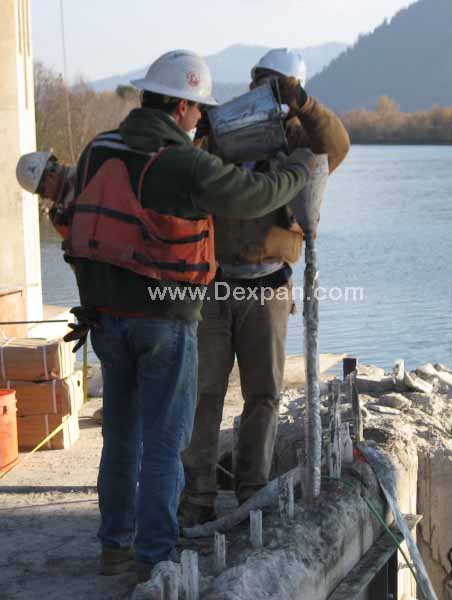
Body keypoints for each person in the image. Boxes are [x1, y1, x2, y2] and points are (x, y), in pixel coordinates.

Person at [64, 49, 317, 580]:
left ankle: (115, 545)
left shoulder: (95, 150)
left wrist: (90, 306)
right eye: (198, 108)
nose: (201, 118)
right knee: (163, 441)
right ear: (180, 106)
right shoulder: (180, 161)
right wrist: (297, 170)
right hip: (164, 320)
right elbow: (253, 195)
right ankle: (156, 555)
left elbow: (74, 224)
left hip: (105, 320)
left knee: (121, 437)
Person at [180, 48, 351, 525]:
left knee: (263, 394)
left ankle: (252, 488)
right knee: (205, 392)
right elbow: (186, 167)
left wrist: (302, 103)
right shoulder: (226, 132)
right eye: (262, 82)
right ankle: (197, 493)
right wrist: (205, 129)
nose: (267, 91)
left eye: (277, 84)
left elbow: (337, 144)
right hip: (214, 287)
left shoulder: (299, 139)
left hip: (268, 286)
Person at [15, 151, 76, 239]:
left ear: (51, 175)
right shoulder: (64, 210)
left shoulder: (74, 199)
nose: (44, 197)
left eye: (42, 190)